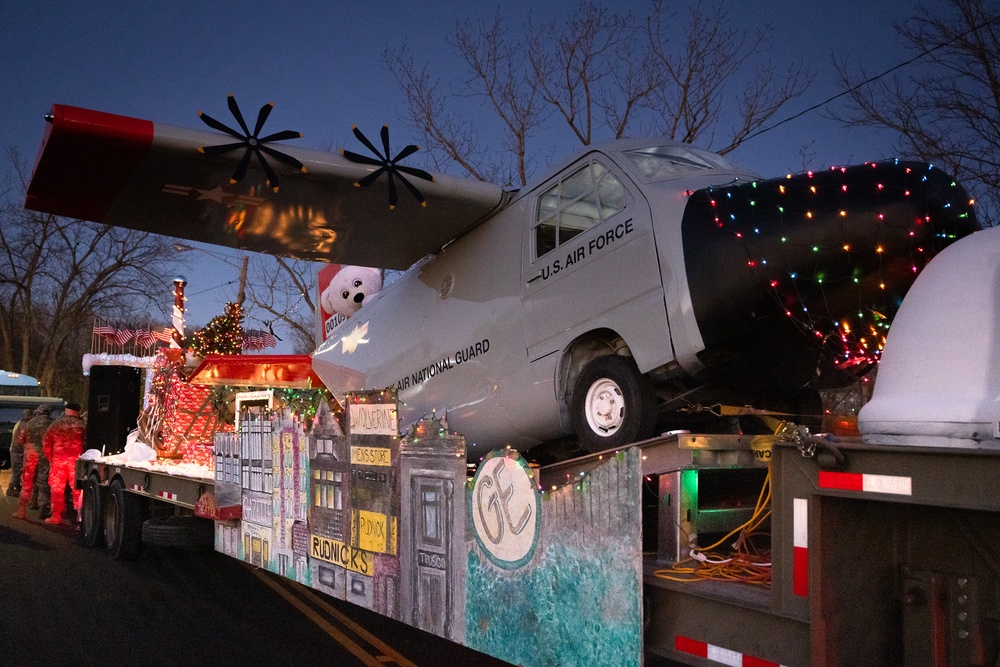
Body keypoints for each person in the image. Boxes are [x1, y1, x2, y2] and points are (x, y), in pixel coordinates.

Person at [42, 401, 86, 525]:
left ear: (66, 410)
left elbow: (46, 441)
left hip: (58, 460)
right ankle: (80, 517)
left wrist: (50, 457)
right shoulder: (82, 425)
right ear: (77, 411)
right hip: (76, 461)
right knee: (77, 488)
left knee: (57, 489)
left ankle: (56, 516)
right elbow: (87, 442)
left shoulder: (56, 424)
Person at [13, 404, 54, 520]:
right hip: (46, 454)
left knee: (27, 481)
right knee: (43, 480)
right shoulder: (53, 423)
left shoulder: (29, 423)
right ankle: (43, 507)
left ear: (38, 412)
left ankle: (21, 511)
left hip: (30, 454)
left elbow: (20, 439)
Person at [4, 408, 32, 497]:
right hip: (18, 451)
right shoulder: (24, 425)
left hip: (16, 450)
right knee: (17, 471)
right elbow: (22, 440)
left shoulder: (19, 423)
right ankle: (11, 488)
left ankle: (17, 487)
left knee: (18, 470)